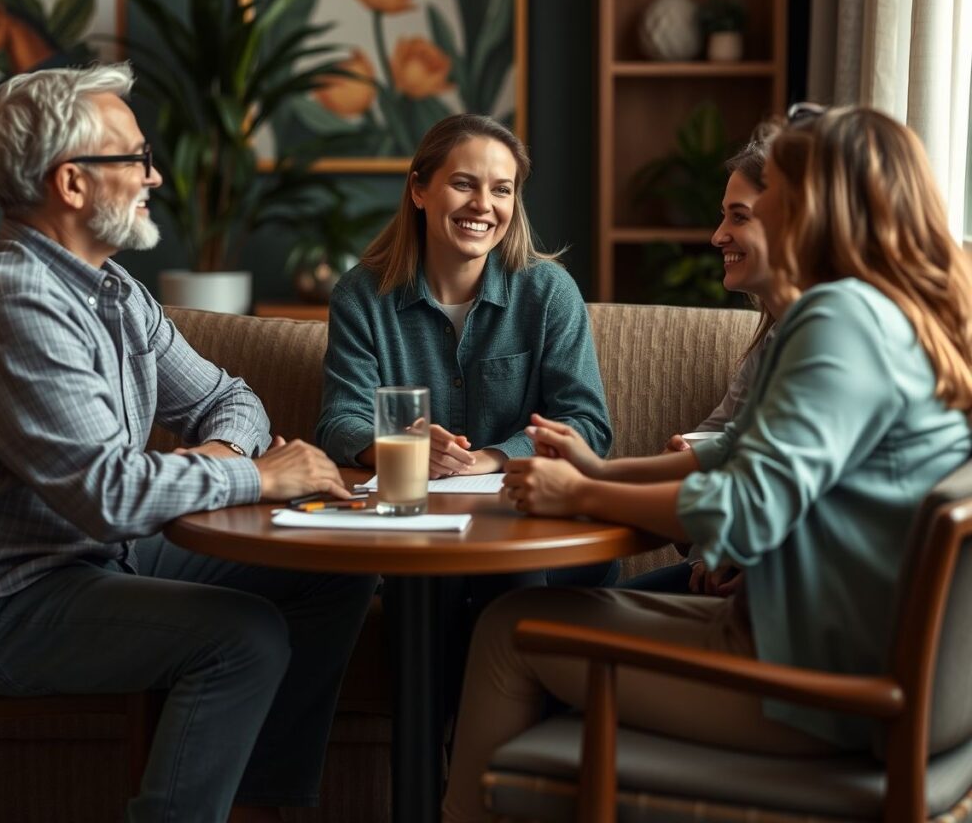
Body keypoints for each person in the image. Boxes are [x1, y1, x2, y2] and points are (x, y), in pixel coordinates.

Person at [443, 106, 972, 821]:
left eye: (775, 188)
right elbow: (736, 450)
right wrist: (596, 477)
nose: (756, 209)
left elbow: (745, 509)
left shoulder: (840, 318)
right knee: (533, 614)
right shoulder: (903, 315)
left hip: (818, 689)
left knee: (510, 631)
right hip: (897, 678)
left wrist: (582, 495)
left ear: (814, 201)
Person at [0, 65, 377, 823]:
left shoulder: (112, 288)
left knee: (331, 572)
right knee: (240, 637)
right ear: (72, 183)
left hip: (97, 559)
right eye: (134, 158)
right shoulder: (13, 298)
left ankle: (264, 807)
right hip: (1, 598)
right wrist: (256, 478)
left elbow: (228, 398)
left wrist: (218, 458)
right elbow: (109, 495)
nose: (152, 176)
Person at [316, 112, 613, 590]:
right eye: (463, 184)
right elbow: (340, 421)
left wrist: (493, 457)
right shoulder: (361, 296)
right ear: (419, 190)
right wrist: (405, 451)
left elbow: (587, 425)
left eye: (501, 189)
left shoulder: (549, 292)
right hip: (413, 533)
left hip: (529, 530)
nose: (483, 205)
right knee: (419, 582)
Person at [628, 124, 782, 596]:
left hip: (777, 605)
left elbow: (781, 493)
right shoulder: (774, 335)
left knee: (515, 624)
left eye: (739, 217)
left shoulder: (831, 345)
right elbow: (714, 442)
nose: (717, 237)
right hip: (738, 576)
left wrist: (583, 486)